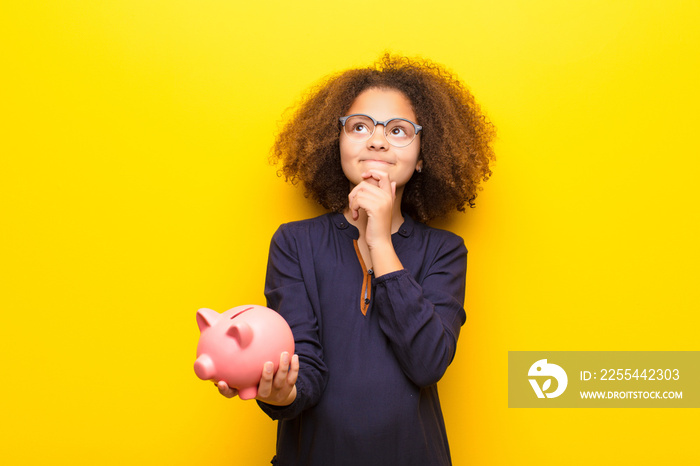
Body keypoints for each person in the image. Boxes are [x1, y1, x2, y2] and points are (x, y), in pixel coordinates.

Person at [217, 54, 496, 465]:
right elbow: (304, 367)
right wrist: (282, 391)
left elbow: (428, 363)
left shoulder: (444, 251)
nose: (377, 140)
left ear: (422, 157)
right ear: (339, 144)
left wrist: (380, 240)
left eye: (398, 130)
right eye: (360, 126)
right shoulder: (295, 243)